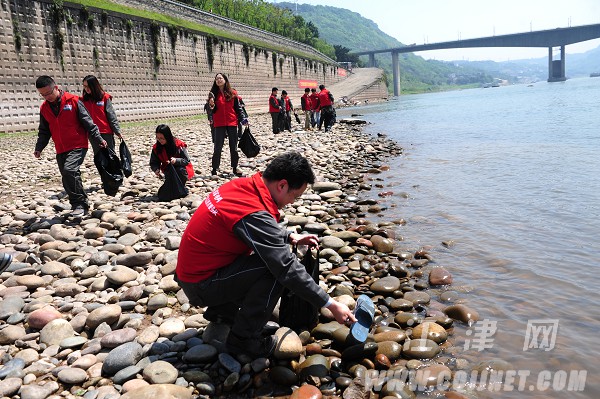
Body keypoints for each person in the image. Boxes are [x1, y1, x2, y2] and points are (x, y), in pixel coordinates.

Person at [175, 152, 356, 358]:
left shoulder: (243, 186)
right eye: (294, 196)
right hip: (201, 284)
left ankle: (223, 313)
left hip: (195, 272)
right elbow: (285, 266)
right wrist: (330, 304)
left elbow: (252, 228)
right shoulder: (252, 210)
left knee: (269, 258)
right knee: (273, 269)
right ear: (282, 185)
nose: (291, 202)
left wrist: (288, 236)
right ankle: (243, 340)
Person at [34, 75, 107, 217]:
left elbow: (88, 122)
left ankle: (80, 204)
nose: (46, 97)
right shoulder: (44, 108)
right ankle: (80, 204)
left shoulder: (73, 101)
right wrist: (39, 148)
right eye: (43, 95)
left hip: (78, 144)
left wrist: (99, 139)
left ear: (56, 87)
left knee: (69, 170)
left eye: (49, 93)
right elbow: (44, 130)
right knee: (67, 176)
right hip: (60, 148)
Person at [207, 73, 248, 176]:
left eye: (220, 78)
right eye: (217, 79)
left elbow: (238, 108)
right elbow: (211, 109)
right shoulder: (213, 94)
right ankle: (214, 168)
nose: (218, 80)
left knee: (233, 147)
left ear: (225, 79)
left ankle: (235, 167)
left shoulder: (233, 92)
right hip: (219, 123)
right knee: (217, 147)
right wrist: (211, 105)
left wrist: (243, 118)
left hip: (232, 122)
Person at [150, 124, 194, 201]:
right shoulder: (156, 148)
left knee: (179, 171)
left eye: (162, 138)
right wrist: (156, 169)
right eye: (158, 138)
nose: (160, 140)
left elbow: (186, 160)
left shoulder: (178, 144)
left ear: (167, 136)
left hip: (181, 169)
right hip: (168, 169)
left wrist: (176, 160)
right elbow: (154, 162)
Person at [81, 75, 122, 156]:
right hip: (92, 133)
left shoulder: (105, 97)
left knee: (110, 154)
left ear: (95, 86)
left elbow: (111, 115)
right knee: (98, 156)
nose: (86, 89)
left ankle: (114, 168)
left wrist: (117, 131)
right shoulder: (83, 100)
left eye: (89, 86)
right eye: (85, 86)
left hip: (105, 131)